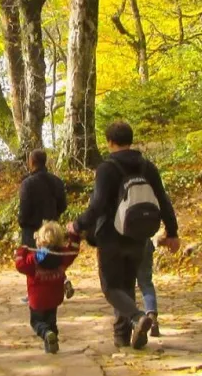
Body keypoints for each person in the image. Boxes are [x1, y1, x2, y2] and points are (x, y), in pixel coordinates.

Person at [70, 120, 179, 349]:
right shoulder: (147, 167)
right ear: (130, 140)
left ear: (110, 142)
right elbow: (163, 200)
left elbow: (98, 205)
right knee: (127, 286)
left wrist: (78, 226)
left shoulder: (107, 168)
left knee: (111, 287)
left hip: (111, 236)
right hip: (139, 235)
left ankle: (138, 318)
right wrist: (172, 232)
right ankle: (124, 337)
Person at [14, 221, 78, 354]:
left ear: (40, 240)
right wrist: (74, 235)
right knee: (51, 320)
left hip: (37, 300)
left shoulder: (33, 259)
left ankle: (47, 334)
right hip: (54, 298)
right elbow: (73, 250)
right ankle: (52, 342)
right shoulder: (63, 257)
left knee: (37, 322)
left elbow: (20, 265)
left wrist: (21, 251)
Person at [17, 148, 67, 248]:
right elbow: (63, 206)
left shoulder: (27, 184)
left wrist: (22, 222)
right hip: (51, 233)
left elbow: (24, 210)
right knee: (49, 259)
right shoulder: (57, 181)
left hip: (32, 234)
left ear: (31, 162)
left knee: (33, 260)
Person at [137, 237, 161, 337]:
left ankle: (132, 323)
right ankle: (152, 319)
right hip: (145, 242)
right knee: (146, 283)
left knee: (126, 286)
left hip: (125, 245)